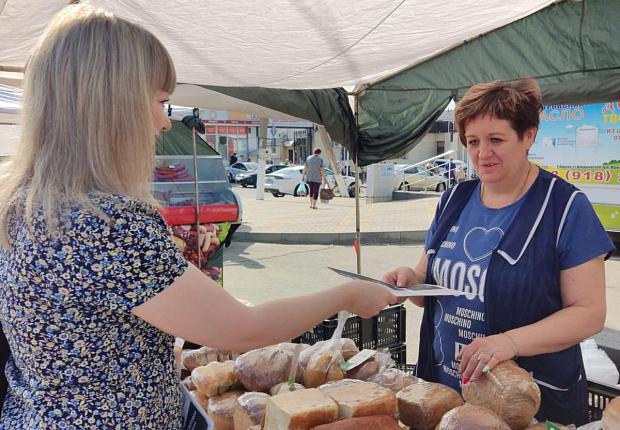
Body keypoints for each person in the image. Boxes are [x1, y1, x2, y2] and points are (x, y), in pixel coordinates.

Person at [0, 5, 398, 429]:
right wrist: (346, 295)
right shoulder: (109, 223)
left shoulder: (25, 204)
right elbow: (241, 331)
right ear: (112, 106)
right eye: (160, 102)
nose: (163, 123)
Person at [382, 79, 615, 425]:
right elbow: (428, 284)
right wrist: (408, 281)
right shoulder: (454, 200)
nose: (482, 153)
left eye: (496, 140)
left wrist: (511, 342)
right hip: (448, 391)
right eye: (473, 142)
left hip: (525, 401)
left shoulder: (565, 207)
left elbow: (589, 313)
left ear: (528, 136)